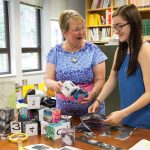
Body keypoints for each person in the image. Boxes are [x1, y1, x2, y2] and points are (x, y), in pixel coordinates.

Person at [88, 4, 150, 129]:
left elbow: (149, 93)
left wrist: (122, 113)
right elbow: (112, 79)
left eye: (119, 26)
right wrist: (98, 101)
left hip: (144, 122)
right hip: (126, 119)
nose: (116, 31)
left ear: (133, 23)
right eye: (114, 26)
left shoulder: (145, 50)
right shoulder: (120, 50)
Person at [45, 10, 107, 117]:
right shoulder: (55, 52)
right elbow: (48, 80)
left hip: (91, 110)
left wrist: (93, 93)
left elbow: (100, 79)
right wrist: (55, 85)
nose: (81, 32)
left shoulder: (93, 50)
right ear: (65, 32)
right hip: (64, 113)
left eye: (82, 27)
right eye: (76, 29)